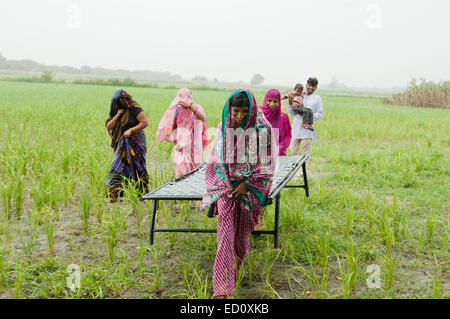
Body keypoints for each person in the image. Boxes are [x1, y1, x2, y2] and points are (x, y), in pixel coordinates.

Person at [200, 89, 276, 298]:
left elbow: (268, 164)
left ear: (250, 109)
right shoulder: (225, 126)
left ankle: (236, 266)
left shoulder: (262, 129)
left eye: (244, 111)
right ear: (230, 109)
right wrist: (224, 182)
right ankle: (223, 289)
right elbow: (214, 158)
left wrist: (247, 184)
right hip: (226, 188)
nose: (240, 116)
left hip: (248, 191)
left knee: (241, 236)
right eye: (235, 111)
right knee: (225, 235)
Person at [105, 89, 149, 202]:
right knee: (117, 166)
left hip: (136, 142)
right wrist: (118, 115)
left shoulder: (135, 108)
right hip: (121, 143)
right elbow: (109, 126)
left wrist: (131, 130)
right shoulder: (115, 110)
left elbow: (144, 123)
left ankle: (142, 194)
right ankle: (114, 195)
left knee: (138, 167)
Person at [157, 88, 209, 177]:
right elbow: (174, 128)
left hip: (194, 147)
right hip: (182, 146)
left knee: (194, 171)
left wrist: (190, 107)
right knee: (181, 171)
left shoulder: (197, 108)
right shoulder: (178, 110)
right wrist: (176, 143)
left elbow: (202, 118)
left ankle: (191, 188)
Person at [285, 77, 324, 157]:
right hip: (297, 128)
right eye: (309, 85)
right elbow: (293, 113)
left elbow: (320, 114)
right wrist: (290, 102)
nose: (311, 88)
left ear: (316, 87)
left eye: (313, 86)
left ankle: (304, 169)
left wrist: (308, 115)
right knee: (293, 152)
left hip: (308, 129)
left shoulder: (317, 98)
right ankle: (294, 169)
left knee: (305, 155)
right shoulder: (299, 95)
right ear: (306, 85)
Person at [259, 88, 292, 156]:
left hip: (278, 155)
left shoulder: (284, 118)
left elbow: (287, 137)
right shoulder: (259, 114)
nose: (272, 104)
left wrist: (279, 149)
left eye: (275, 101)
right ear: (265, 100)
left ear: (279, 102)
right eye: (269, 101)